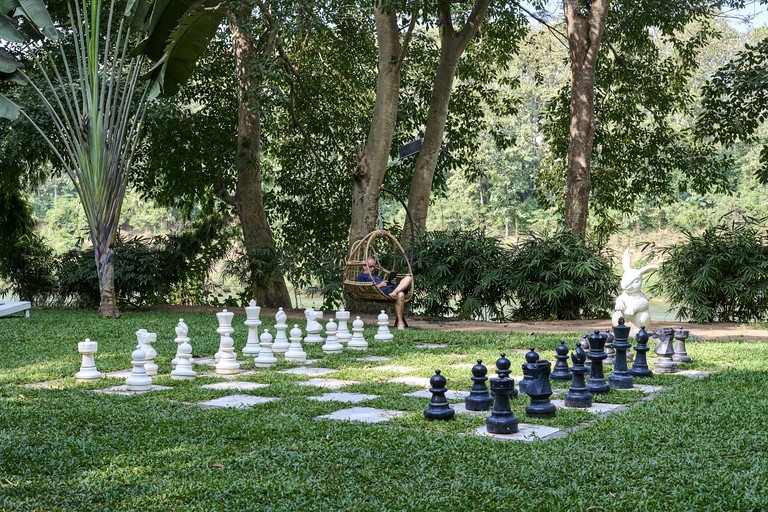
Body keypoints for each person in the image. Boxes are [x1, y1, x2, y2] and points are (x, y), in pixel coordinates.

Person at [356, 256, 413, 330]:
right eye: (370, 267)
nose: (372, 269)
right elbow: (363, 289)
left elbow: (385, 284)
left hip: (390, 290)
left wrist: (391, 283)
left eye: (373, 267)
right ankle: (400, 322)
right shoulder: (361, 276)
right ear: (364, 266)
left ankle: (395, 292)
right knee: (401, 294)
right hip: (381, 292)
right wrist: (379, 285)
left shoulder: (375, 276)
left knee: (408, 278)